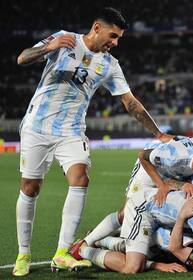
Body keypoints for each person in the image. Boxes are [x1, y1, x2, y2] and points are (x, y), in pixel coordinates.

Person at [13, 7, 171, 276]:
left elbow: (129, 102)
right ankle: (23, 254)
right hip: (37, 126)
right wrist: (48, 47)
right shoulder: (64, 39)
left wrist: (158, 133)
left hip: (72, 131)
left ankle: (62, 252)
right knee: (30, 187)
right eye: (113, 35)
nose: (115, 42)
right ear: (96, 27)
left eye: (119, 37)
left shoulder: (110, 64)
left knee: (80, 178)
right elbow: (22, 59)